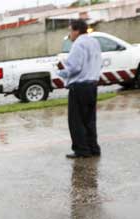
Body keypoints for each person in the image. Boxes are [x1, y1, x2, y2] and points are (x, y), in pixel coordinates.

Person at [57, 19, 102, 159]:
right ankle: (93, 147)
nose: (69, 34)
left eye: (70, 30)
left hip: (79, 86)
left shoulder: (78, 44)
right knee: (89, 119)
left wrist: (61, 70)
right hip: (92, 85)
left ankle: (82, 150)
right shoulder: (94, 42)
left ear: (76, 31)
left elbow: (74, 67)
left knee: (76, 121)